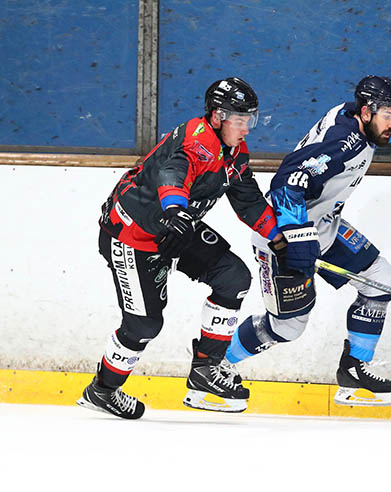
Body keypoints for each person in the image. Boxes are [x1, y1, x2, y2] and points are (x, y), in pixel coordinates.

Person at [223, 76, 391, 406]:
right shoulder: (342, 142)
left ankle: (353, 370)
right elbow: (287, 184)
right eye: (388, 117)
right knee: (287, 329)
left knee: (380, 280)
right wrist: (298, 239)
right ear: (366, 112)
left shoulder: (362, 118)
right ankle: (216, 367)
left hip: (325, 225)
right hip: (283, 237)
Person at [77, 77, 279, 419]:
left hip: (174, 228)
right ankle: (103, 390)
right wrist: (174, 210)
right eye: (240, 120)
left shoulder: (235, 154)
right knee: (144, 326)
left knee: (233, 276)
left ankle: (205, 369)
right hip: (132, 235)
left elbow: (250, 205)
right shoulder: (197, 140)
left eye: (250, 120)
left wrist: (281, 240)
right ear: (217, 117)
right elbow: (172, 174)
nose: (247, 128)